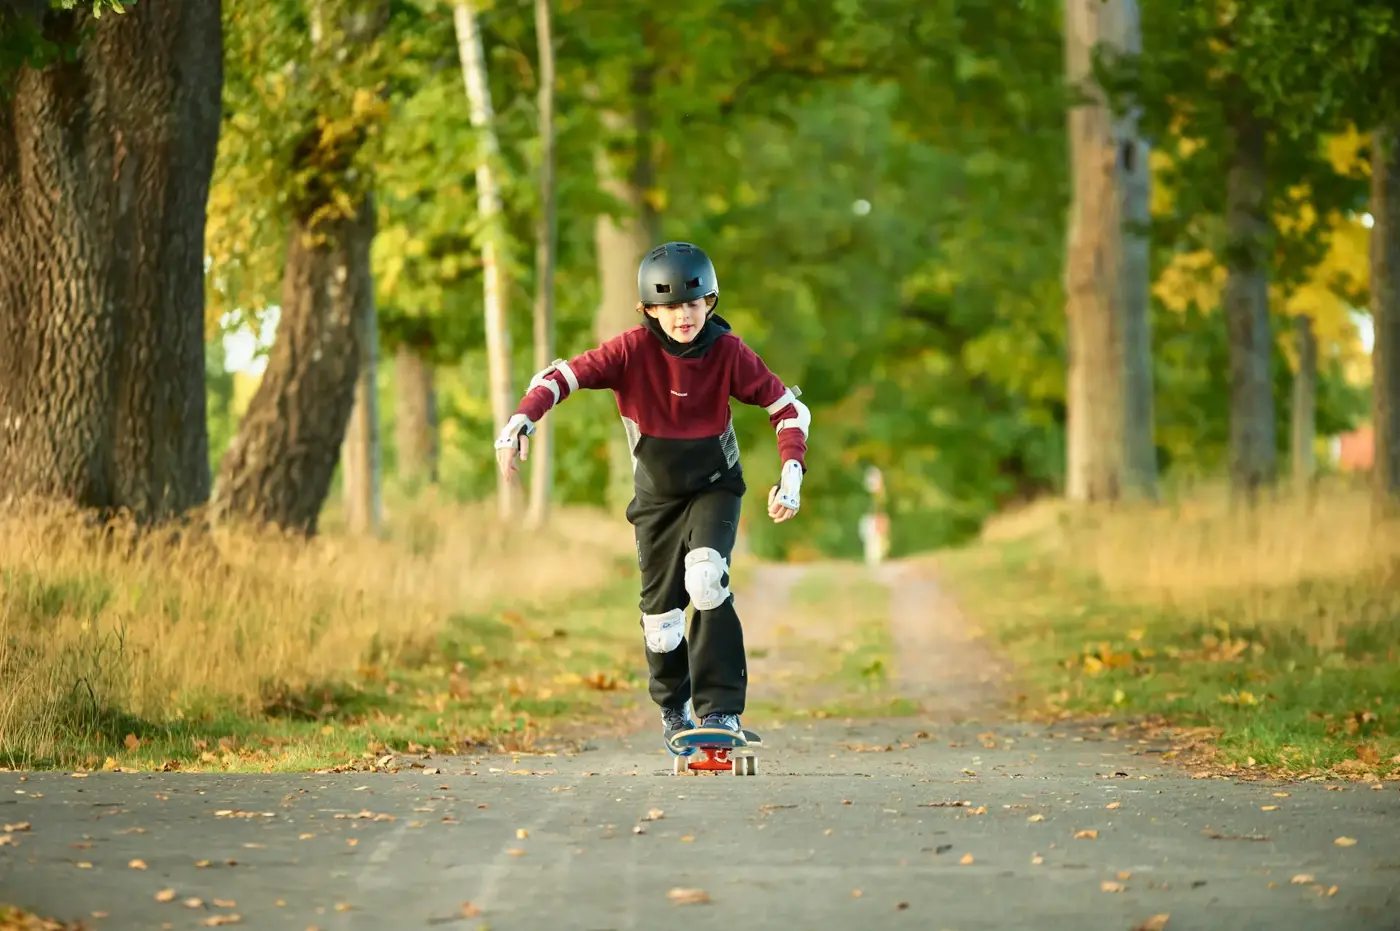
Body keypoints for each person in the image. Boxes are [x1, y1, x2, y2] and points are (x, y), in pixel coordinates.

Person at [493, 241, 810, 749]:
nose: (682, 315)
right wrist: (519, 421)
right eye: (668, 306)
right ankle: (675, 710)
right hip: (656, 499)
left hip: (714, 488)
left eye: (692, 302)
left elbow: (788, 409)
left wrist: (791, 472)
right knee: (661, 625)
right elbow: (561, 377)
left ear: (710, 302)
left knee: (707, 579)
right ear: (648, 310)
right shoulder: (629, 351)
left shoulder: (728, 353)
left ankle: (722, 711)